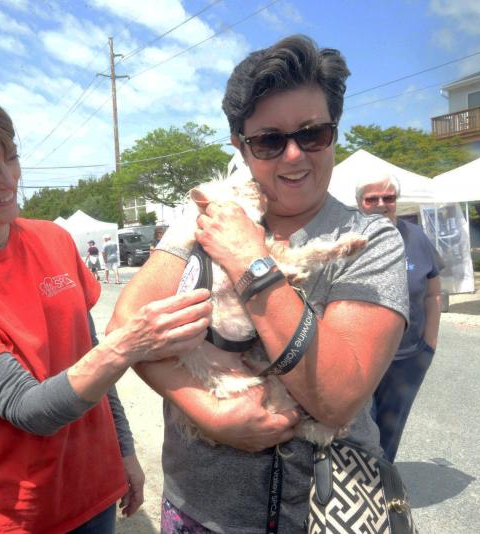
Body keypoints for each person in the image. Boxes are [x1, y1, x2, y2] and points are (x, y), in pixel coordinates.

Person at [107, 35, 409, 533]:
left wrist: (249, 258)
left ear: (335, 132)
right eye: (269, 141)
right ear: (239, 146)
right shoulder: (207, 217)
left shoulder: (368, 239)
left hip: (321, 512)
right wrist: (209, 414)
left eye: (312, 134)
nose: (293, 156)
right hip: (199, 510)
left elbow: (335, 399)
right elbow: (126, 329)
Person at [0, 87, 212, 533]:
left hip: (94, 490)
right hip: (16, 514)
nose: (9, 179)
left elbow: (89, 356)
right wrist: (131, 341)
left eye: (10, 157)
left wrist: (123, 450)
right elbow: (30, 410)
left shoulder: (53, 239)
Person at [355, 174, 442, 462]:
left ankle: (381, 489)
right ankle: (354, 488)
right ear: (359, 204)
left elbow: (432, 295)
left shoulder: (415, 236)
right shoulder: (348, 242)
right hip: (358, 358)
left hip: (407, 358)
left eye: (388, 198)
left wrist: (429, 345)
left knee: (390, 430)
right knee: (357, 429)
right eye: (372, 199)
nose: (381, 204)